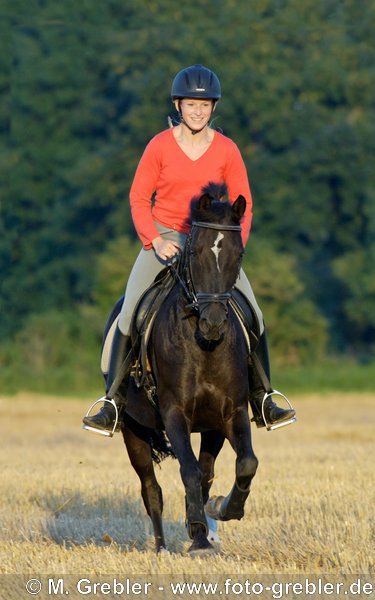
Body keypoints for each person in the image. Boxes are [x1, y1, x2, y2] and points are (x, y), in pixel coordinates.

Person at [82, 64, 296, 434]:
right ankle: (112, 402)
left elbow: (245, 203)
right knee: (130, 311)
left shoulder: (228, 150)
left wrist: (233, 249)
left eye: (205, 105)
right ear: (178, 105)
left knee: (255, 316)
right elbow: (137, 199)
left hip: (213, 244)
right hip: (166, 235)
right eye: (191, 104)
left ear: (214, 107)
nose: (198, 111)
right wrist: (155, 240)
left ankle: (264, 398)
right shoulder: (159, 146)